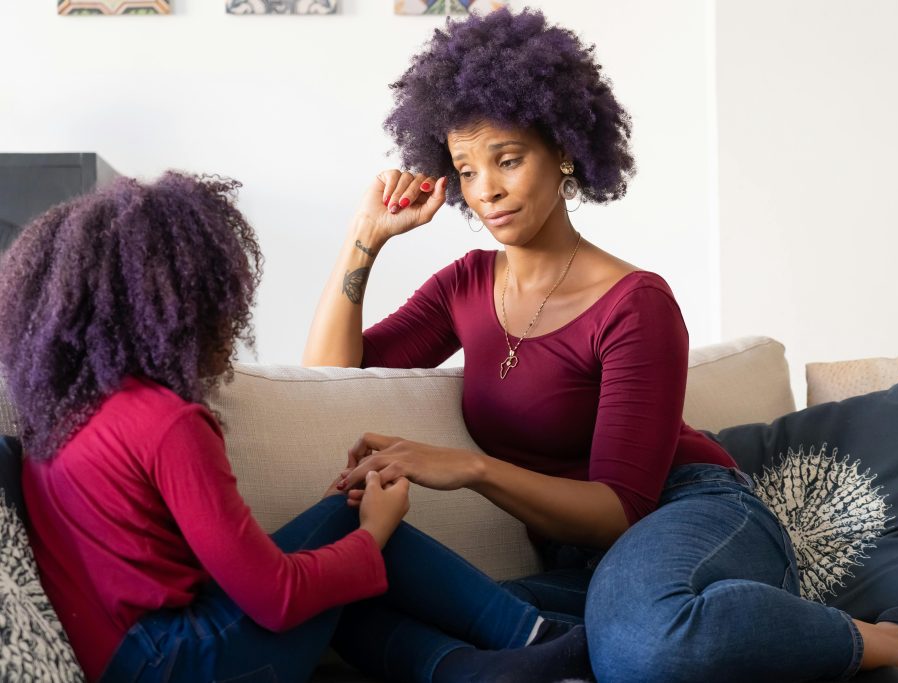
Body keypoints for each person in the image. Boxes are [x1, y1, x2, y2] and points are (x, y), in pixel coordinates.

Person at [304, 8, 898, 682]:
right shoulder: (465, 284)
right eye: (466, 168)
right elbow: (328, 376)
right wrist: (365, 237)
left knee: (646, 642)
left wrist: (469, 467)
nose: (485, 189)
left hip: (691, 513)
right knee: (346, 596)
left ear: (563, 151)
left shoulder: (634, 302)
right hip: (586, 564)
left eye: (507, 159)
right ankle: (563, 648)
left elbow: (620, 506)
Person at [0, 172, 592, 683]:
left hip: (128, 657)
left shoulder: (68, 410)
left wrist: (345, 547)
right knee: (347, 533)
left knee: (339, 563)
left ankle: (478, 669)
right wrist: (373, 533)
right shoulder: (167, 423)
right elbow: (278, 598)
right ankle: (539, 639)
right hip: (176, 663)